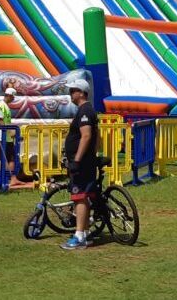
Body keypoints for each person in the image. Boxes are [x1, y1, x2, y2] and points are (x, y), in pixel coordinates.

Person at [61, 79, 99, 250]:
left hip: (82, 163)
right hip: (86, 160)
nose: (71, 94)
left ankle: (79, 236)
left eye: (73, 91)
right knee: (83, 196)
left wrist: (77, 160)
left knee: (80, 196)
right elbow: (97, 136)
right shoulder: (86, 110)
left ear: (81, 92)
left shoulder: (85, 111)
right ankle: (83, 230)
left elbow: (86, 136)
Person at [0, 87, 19, 187]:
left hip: (6, 137)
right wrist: (8, 131)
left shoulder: (6, 106)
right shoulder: (1, 106)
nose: (13, 99)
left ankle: (13, 178)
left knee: (11, 157)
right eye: (13, 97)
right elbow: (0, 119)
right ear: (9, 95)